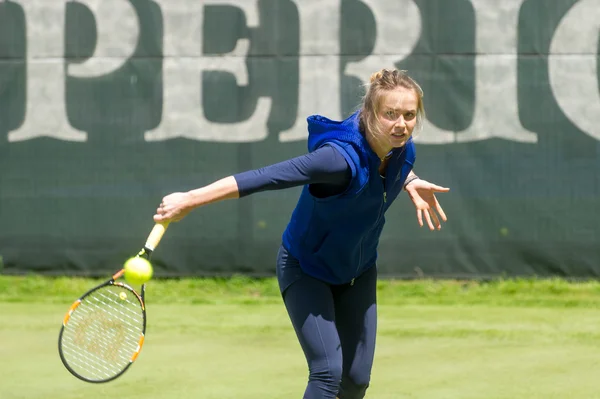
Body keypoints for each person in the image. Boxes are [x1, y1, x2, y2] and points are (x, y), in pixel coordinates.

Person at [153, 68, 449, 399]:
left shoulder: (404, 149)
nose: (400, 124)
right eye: (390, 114)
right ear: (370, 113)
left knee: (355, 380)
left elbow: (387, 162)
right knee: (326, 372)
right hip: (306, 269)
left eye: (409, 115)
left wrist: (408, 180)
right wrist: (190, 199)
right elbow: (266, 176)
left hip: (358, 271)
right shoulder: (336, 161)